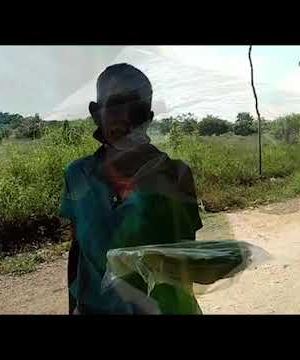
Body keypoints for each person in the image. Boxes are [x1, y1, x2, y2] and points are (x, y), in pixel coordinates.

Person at [61, 63, 203, 314]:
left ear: (148, 117)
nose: (126, 119)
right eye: (115, 105)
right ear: (96, 113)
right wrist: (74, 308)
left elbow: (185, 259)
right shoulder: (78, 175)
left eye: (136, 109)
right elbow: (78, 250)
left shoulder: (176, 175)